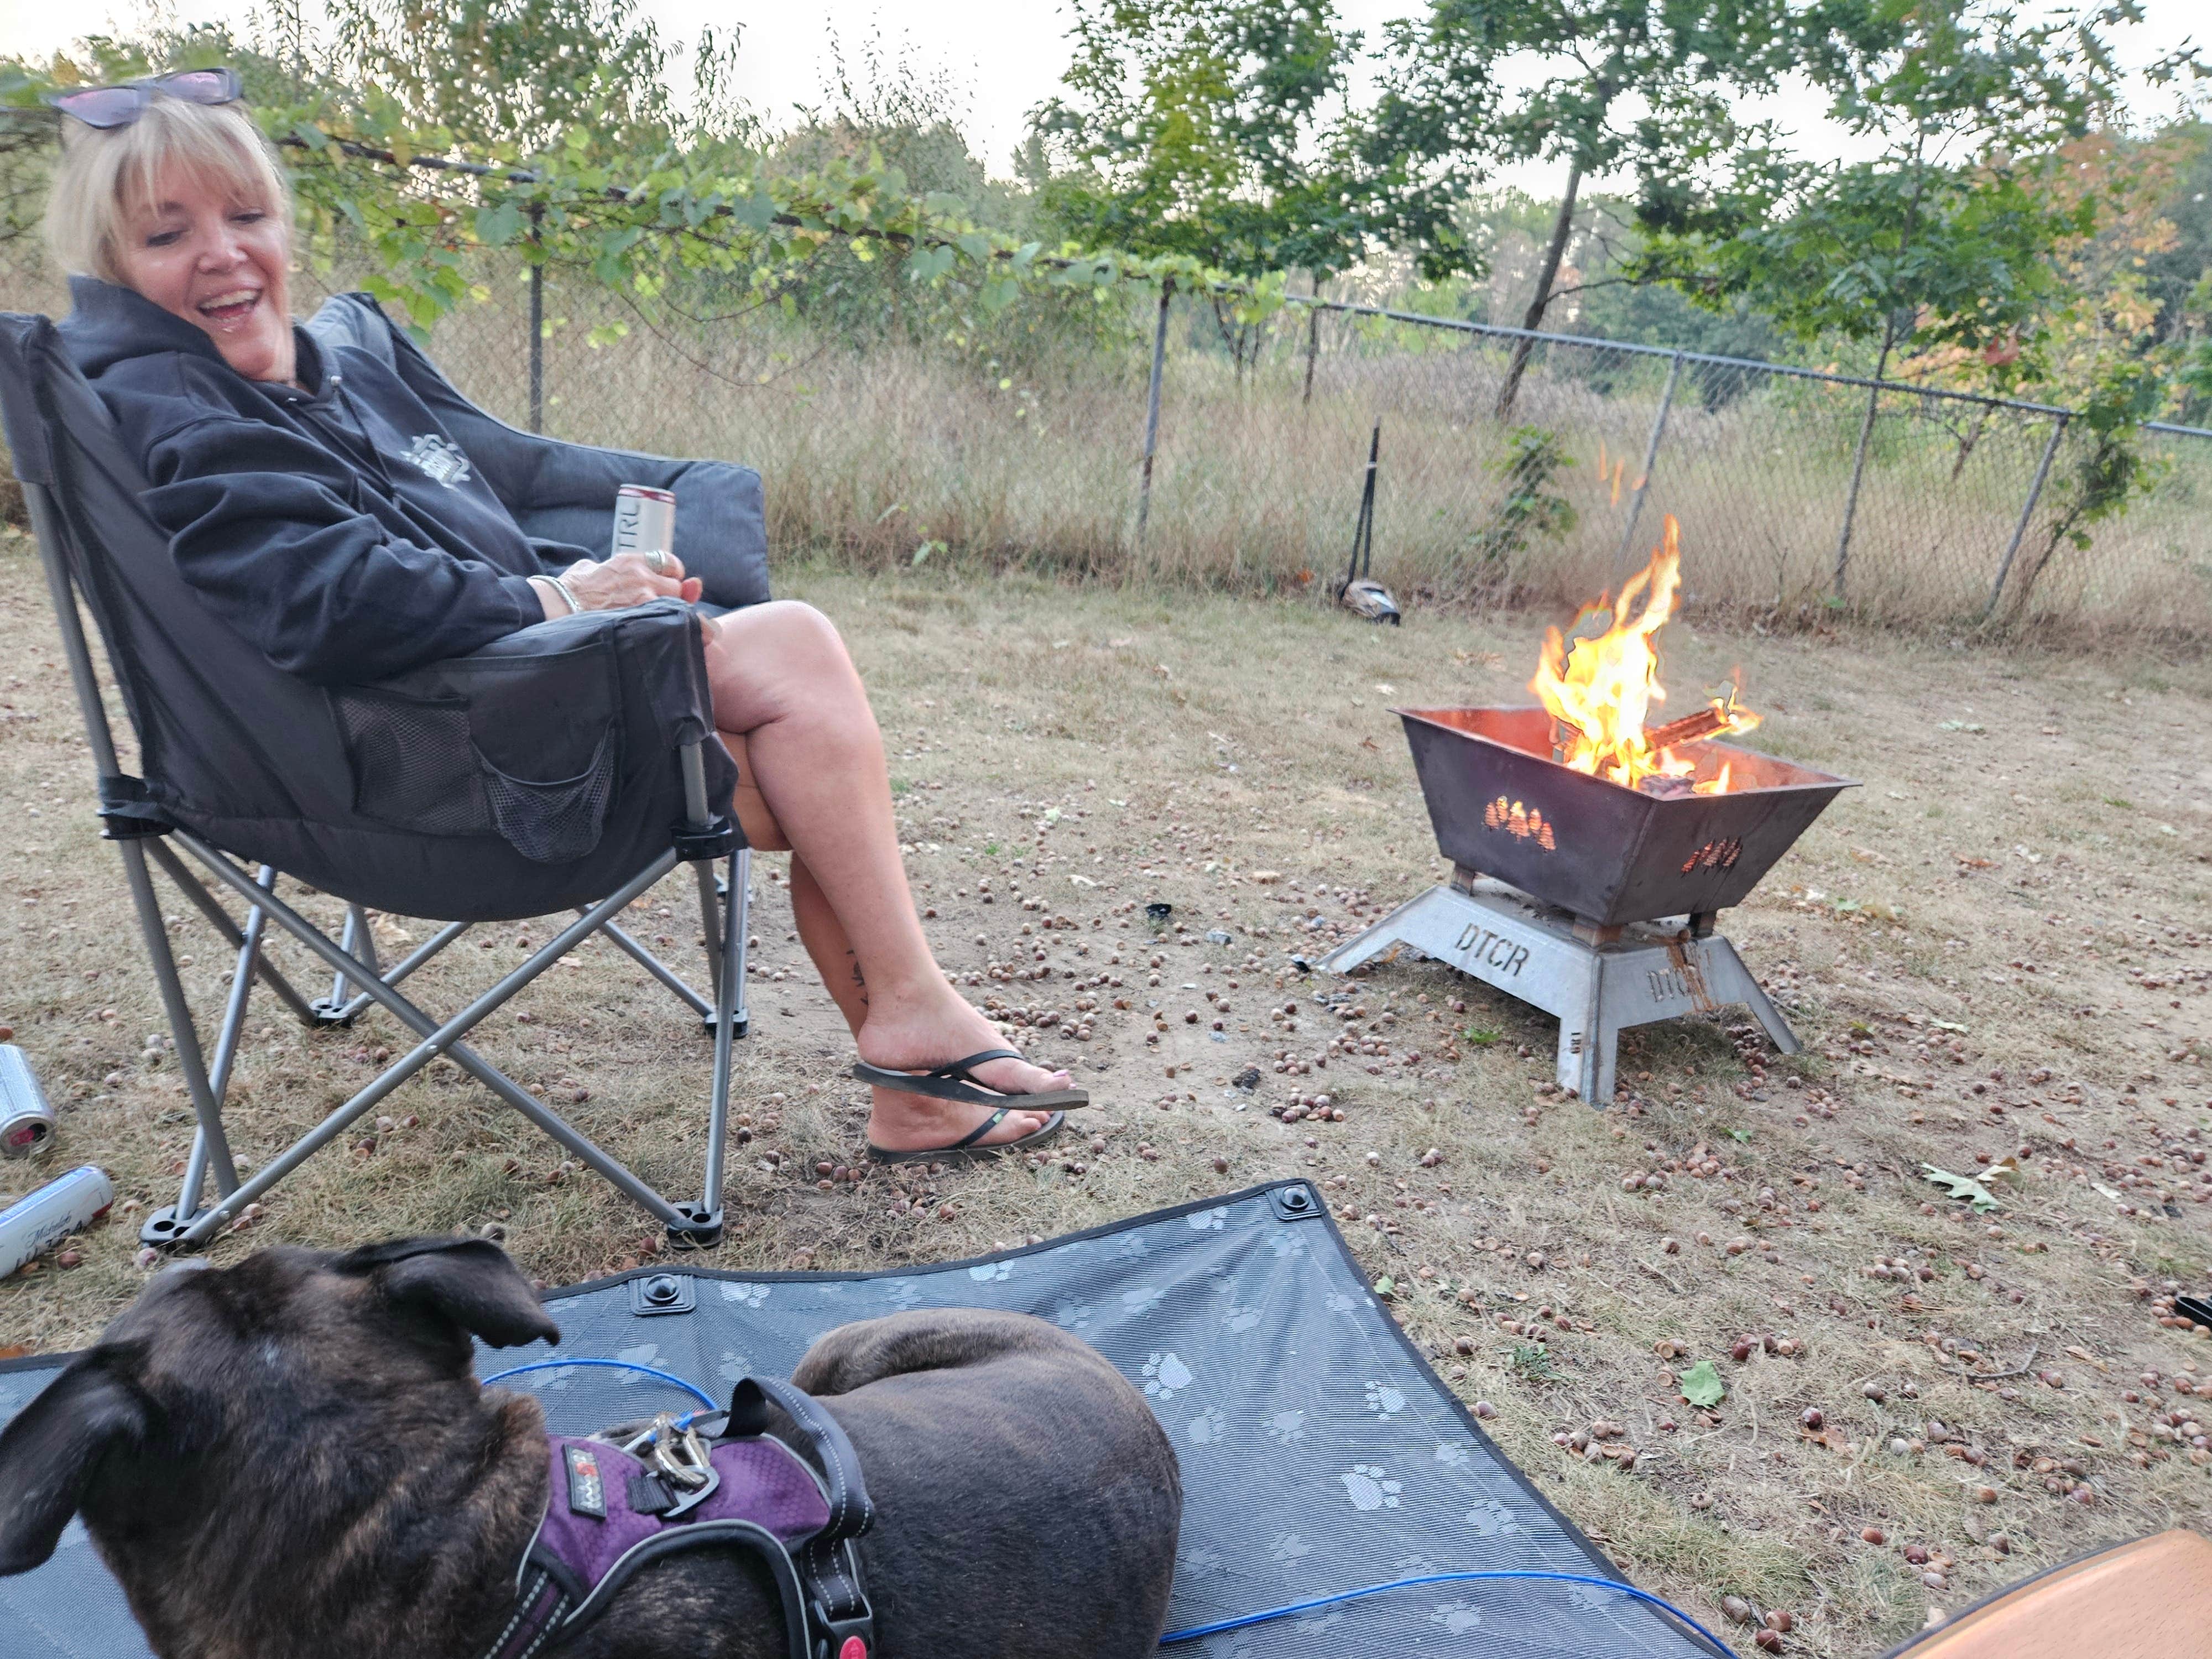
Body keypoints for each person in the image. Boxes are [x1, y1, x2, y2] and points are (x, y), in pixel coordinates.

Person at [42, 70, 1078, 1160]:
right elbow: (325, 597)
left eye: (247, 215)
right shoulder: (172, 397)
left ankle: (916, 1075)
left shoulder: (260, 378)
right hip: (411, 771)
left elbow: (381, 544)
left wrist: (585, 595)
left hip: (442, 719)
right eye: (168, 234)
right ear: (113, 265)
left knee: (796, 758)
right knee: (800, 670)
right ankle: (916, 1032)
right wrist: (557, 598)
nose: (224, 252)